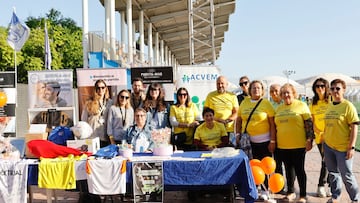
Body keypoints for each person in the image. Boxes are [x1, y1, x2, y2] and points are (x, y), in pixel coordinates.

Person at [274, 83, 314, 203]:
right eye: (283, 93)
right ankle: (290, 192)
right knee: (288, 169)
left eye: (288, 92)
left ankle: (302, 195)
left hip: (298, 144)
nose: (286, 95)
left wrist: (309, 140)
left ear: (293, 93)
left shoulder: (301, 105)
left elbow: (309, 124)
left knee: (299, 170)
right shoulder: (279, 108)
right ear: (281, 95)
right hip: (283, 145)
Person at [236, 80, 276, 200]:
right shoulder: (244, 103)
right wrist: (237, 134)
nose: (256, 90)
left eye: (258, 88)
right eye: (253, 88)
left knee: (265, 166)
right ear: (250, 90)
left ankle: (265, 191)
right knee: (252, 166)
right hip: (248, 142)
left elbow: (272, 124)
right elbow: (239, 120)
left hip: (265, 141)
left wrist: (272, 141)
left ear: (262, 90)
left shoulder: (266, 103)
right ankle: (254, 188)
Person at [323, 79, 359, 203]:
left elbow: (355, 126)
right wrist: (324, 145)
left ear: (344, 90)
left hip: (343, 147)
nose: (334, 91)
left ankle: (355, 199)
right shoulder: (330, 105)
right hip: (328, 146)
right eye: (332, 89)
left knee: (347, 175)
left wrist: (351, 146)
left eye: (337, 88)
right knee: (333, 174)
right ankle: (335, 196)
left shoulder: (348, 106)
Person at [309, 78, 331, 198]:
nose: (320, 88)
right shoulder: (313, 102)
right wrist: (318, 132)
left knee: (329, 161)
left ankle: (325, 186)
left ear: (326, 87)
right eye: (317, 86)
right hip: (320, 137)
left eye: (322, 86)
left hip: (332, 135)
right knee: (326, 161)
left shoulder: (331, 100)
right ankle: (323, 186)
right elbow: (312, 121)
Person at [204, 76, 238, 141]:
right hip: (214, 129)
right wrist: (218, 120)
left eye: (222, 83)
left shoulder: (232, 96)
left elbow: (236, 112)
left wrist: (227, 120)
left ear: (227, 84)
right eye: (218, 84)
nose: (220, 85)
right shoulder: (210, 95)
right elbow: (205, 112)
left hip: (228, 129)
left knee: (228, 150)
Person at [81, 79, 113, 147]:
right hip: (92, 137)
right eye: (98, 88)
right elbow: (84, 120)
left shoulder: (110, 103)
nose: (100, 90)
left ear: (106, 89)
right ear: (95, 89)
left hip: (105, 137)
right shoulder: (89, 102)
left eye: (102, 87)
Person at [269, 83, 286, 194]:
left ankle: (290, 186)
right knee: (277, 163)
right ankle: (280, 186)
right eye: (271, 91)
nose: (274, 93)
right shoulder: (269, 105)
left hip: (287, 138)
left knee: (289, 164)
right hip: (275, 138)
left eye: (276, 91)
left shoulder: (286, 103)